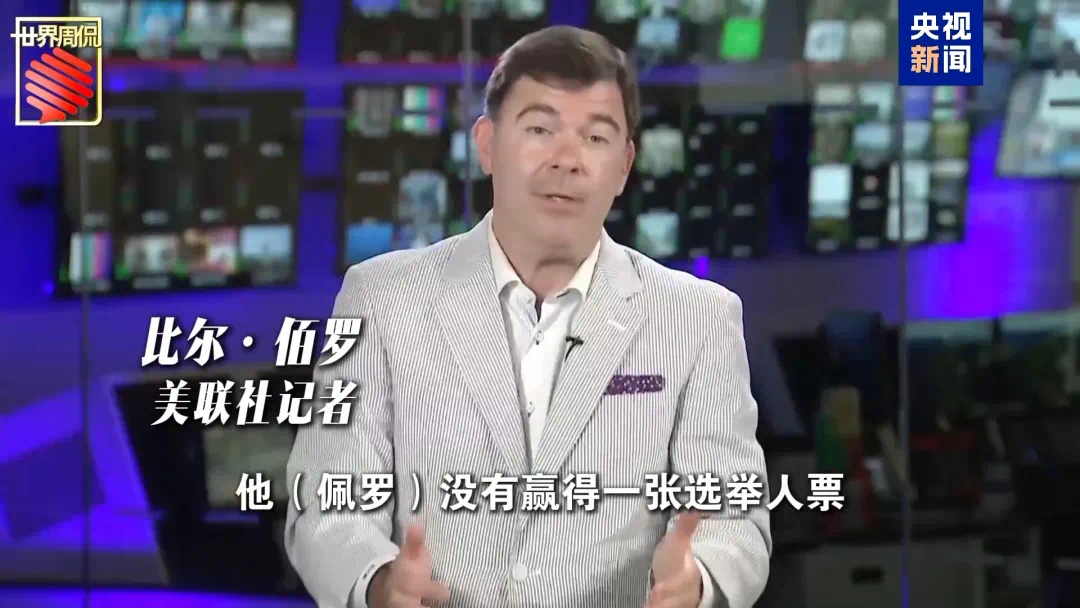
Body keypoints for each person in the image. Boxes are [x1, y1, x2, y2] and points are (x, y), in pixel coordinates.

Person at [285, 25, 771, 608]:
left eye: (596, 137)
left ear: (624, 166)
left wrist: (697, 582)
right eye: (540, 129)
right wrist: (379, 583)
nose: (566, 160)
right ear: (487, 144)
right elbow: (327, 504)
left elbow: (734, 519)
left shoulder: (698, 318)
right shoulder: (381, 299)